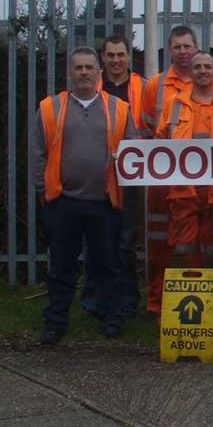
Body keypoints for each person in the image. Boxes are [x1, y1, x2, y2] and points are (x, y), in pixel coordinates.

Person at [30, 47, 135, 344]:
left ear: (99, 72)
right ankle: (55, 322)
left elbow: (133, 152)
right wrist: (46, 193)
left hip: (105, 201)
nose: (85, 72)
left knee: (109, 265)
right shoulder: (50, 107)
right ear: (70, 73)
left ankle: (112, 317)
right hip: (63, 203)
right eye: (79, 68)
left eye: (90, 67)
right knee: (61, 267)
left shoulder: (119, 107)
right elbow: (38, 154)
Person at [158, 52, 213, 287]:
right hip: (183, 191)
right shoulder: (173, 105)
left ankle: (212, 308)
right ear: (190, 72)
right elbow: (159, 142)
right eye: (197, 67)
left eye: (207, 66)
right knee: (182, 248)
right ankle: (184, 306)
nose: (203, 71)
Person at [139, 25, 200, 313]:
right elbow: (146, 129)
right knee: (160, 239)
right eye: (178, 47)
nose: (183, 52)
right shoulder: (155, 85)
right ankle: (156, 302)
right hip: (164, 176)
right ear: (170, 50)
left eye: (187, 46)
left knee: (197, 242)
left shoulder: (211, 81)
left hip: (202, 177)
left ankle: (196, 299)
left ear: (197, 47)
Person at [84, 33, 144, 318]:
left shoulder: (143, 87)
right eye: (111, 55)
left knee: (126, 241)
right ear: (102, 58)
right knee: (96, 239)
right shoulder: (91, 88)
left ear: (129, 56)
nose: (116, 60)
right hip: (96, 175)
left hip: (130, 178)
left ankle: (127, 299)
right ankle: (95, 300)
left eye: (121, 55)